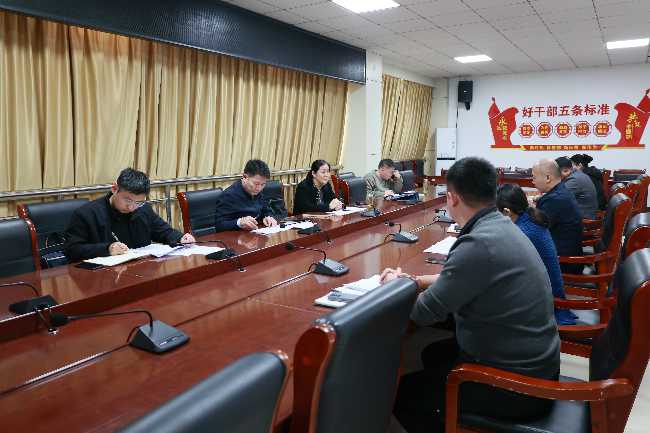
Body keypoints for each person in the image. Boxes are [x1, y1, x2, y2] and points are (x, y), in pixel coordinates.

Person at [381, 157, 560, 433]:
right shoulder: (499, 225)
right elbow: (465, 277)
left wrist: (393, 287)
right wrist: (415, 281)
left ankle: (445, 418)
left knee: (403, 396)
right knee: (434, 354)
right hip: (537, 363)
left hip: (518, 386)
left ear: (451, 198)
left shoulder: (478, 243)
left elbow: (422, 313)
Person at [64, 168, 195, 262]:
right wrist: (107, 249)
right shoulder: (87, 213)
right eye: (127, 200)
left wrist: (180, 238)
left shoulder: (143, 209)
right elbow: (72, 250)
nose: (131, 207)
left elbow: (164, 231)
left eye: (138, 202)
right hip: (102, 277)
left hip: (140, 269)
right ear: (114, 189)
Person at [497, 183, 577, 325]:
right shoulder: (530, 217)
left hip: (545, 304)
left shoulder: (522, 232)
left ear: (507, 212)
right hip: (550, 292)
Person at [533, 159, 584, 273]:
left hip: (563, 263)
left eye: (534, 177)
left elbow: (534, 231)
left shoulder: (554, 200)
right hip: (569, 256)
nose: (533, 181)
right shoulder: (562, 191)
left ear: (548, 178)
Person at [214, 159, 278, 232]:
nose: (259, 188)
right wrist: (239, 222)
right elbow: (219, 225)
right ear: (245, 177)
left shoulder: (258, 191)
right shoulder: (229, 195)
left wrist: (268, 217)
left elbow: (266, 210)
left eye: (263, 184)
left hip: (256, 233)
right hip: (236, 235)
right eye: (256, 184)